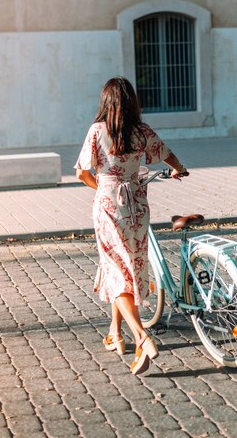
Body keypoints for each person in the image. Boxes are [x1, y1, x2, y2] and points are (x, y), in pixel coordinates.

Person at [75, 77, 188, 375]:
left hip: (109, 206)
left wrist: (101, 186)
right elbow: (167, 154)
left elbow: (80, 172)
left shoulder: (97, 131)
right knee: (127, 267)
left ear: (106, 101)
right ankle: (116, 333)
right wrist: (179, 170)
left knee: (115, 271)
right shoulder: (141, 131)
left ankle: (141, 336)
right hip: (137, 207)